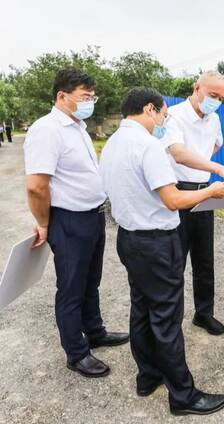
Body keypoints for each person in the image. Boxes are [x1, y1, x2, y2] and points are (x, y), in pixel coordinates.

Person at [100, 87, 224, 416]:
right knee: (166, 318)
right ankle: (183, 395)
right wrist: (210, 192)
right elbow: (172, 199)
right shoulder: (148, 145)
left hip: (129, 238)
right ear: (150, 109)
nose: (164, 120)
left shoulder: (113, 143)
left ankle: (148, 376)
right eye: (163, 114)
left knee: (141, 309)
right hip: (156, 242)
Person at [23, 68, 129, 378]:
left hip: (93, 216)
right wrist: (43, 223)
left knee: (90, 282)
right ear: (62, 96)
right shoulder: (47, 130)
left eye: (92, 96)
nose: (91, 101)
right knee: (71, 288)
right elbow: (36, 186)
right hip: (69, 221)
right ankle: (76, 351)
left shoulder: (77, 127)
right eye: (85, 96)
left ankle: (94, 331)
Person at [161, 70, 224, 336]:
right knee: (175, 262)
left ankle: (204, 314)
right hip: (179, 193)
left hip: (205, 192)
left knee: (205, 260)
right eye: (212, 94)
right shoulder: (174, 116)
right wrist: (216, 168)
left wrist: (203, 168)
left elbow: (215, 144)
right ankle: (171, 322)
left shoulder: (214, 118)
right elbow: (179, 154)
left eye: (220, 97)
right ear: (197, 88)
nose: (216, 101)